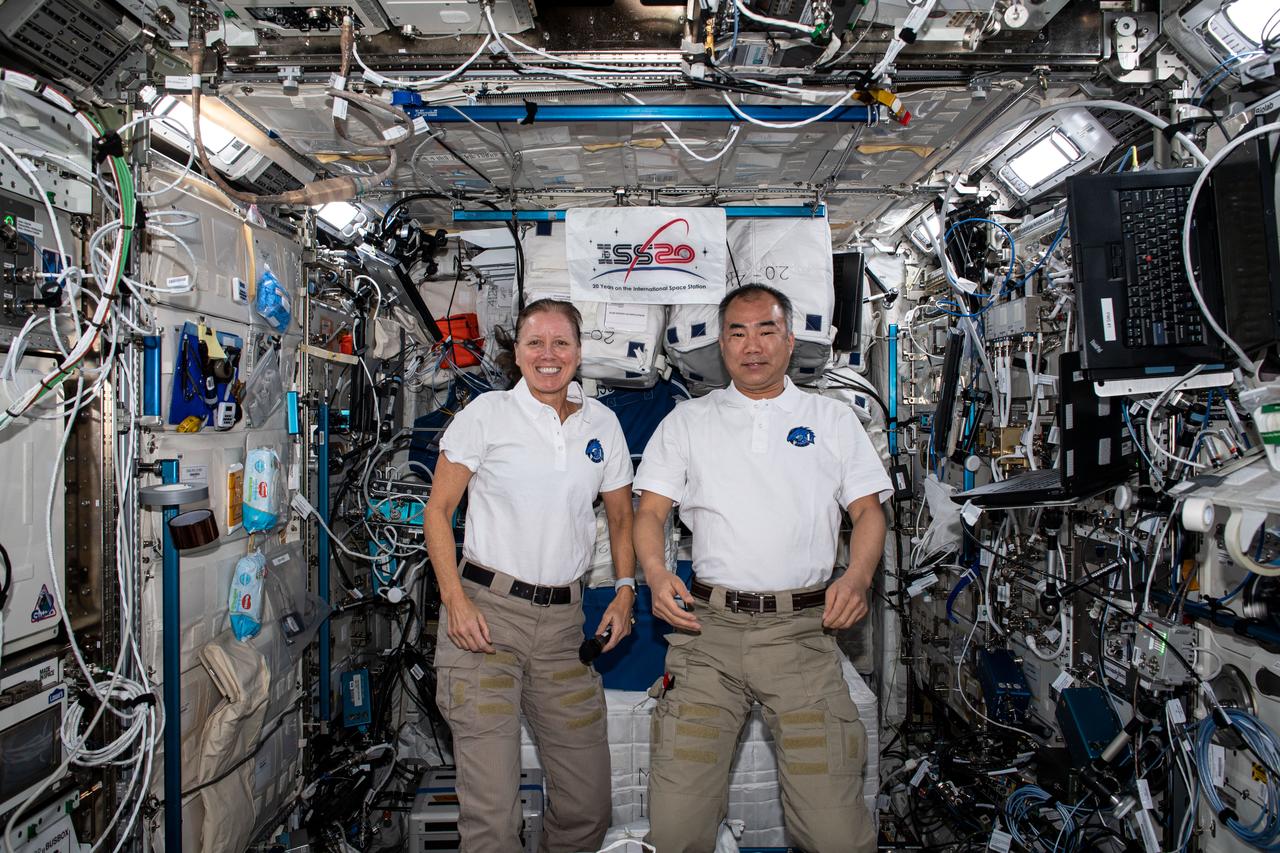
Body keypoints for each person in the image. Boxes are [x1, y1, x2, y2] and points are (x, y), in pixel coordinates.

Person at [633, 283, 891, 853]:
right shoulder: (687, 423)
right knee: (677, 828)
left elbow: (869, 512)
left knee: (836, 833)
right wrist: (654, 573)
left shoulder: (832, 419)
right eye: (737, 332)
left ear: (790, 339)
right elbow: (650, 512)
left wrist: (857, 577)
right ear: (720, 343)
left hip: (801, 640)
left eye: (767, 329)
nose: (753, 346)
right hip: (707, 638)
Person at [424, 298, 637, 853]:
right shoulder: (488, 415)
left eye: (561, 342)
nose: (549, 355)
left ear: (579, 352)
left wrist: (625, 591)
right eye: (535, 343)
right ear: (515, 353)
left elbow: (620, 516)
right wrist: (454, 601)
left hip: (565, 631)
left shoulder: (602, 423)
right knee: (493, 817)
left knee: (587, 805)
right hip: (485, 622)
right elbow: (438, 511)